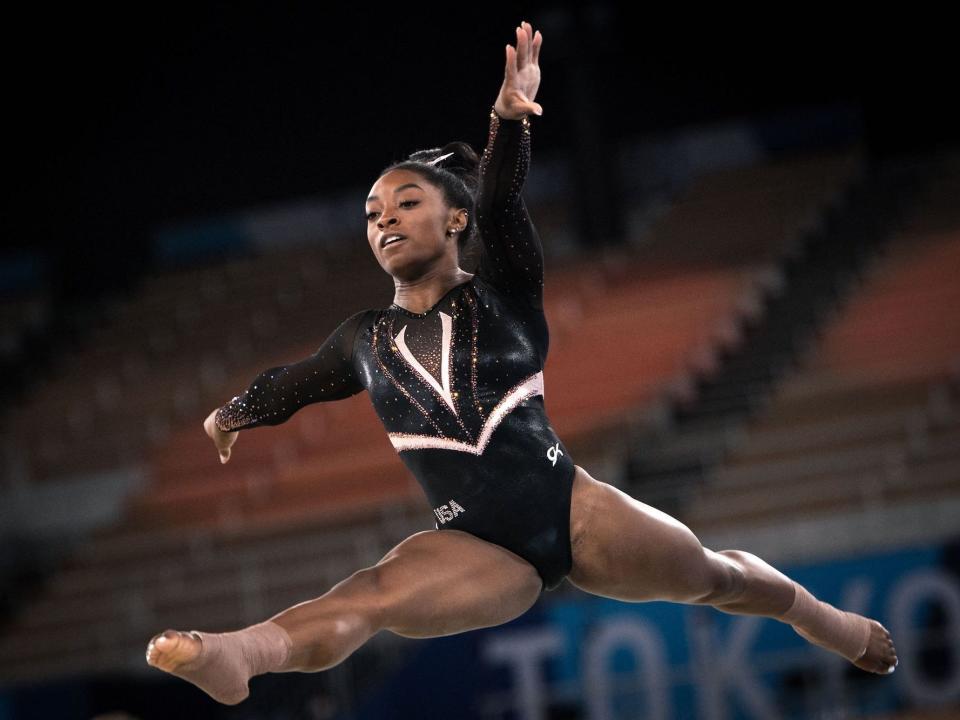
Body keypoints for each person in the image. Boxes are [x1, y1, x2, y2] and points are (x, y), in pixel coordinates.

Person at [145, 21, 897, 706]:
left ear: (456, 219)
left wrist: (507, 122)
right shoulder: (363, 338)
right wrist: (233, 413)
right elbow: (293, 384)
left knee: (716, 578)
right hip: (472, 547)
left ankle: (823, 620)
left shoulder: (504, 290)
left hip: (575, 512)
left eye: (406, 203)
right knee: (371, 595)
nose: (385, 222)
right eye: (373, 214)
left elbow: (505, 199)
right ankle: (237, 652)